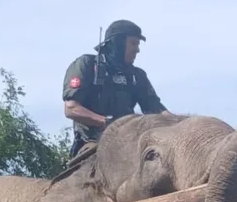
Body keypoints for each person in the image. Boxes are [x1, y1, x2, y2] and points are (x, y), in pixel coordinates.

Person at [62, 19, 171, 156]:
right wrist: (107, 123)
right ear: (117, 43)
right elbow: (71, 108)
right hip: (93, 144)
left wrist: (180, 124)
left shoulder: (137, 76)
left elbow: (156, 109)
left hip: (129, 144)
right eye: (133, 43)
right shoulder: (87, 65)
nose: (137, 50)